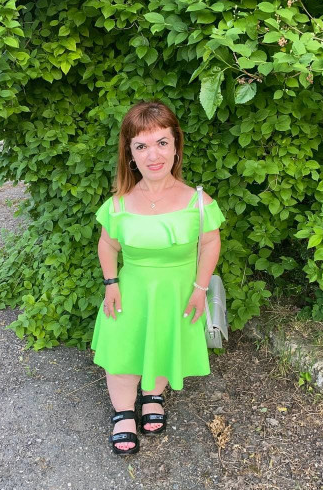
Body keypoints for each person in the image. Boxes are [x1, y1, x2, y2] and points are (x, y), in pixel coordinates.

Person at [91, 101, 225, 455]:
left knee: (164, 342)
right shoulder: (119, 203)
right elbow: (108, 244)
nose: (153, 155)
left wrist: (200, 289)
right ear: (130, 153)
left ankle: (153, 395)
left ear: (176, 145)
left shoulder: (198, 202)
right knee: (123, 349)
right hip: (131, 291)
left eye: (162, 142)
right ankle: (123, 413)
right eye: (142, 146)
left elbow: (211, 243)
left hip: (177, 291)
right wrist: (111, 283)